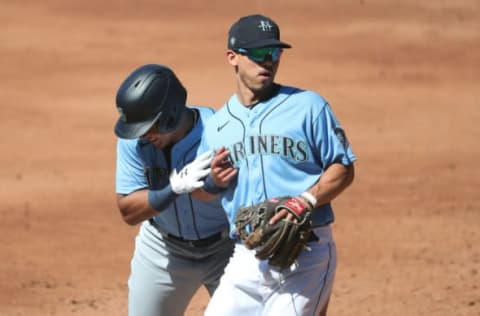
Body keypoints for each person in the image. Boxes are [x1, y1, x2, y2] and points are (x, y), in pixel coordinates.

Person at [197, 14, 356, 316]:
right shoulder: (217, 126)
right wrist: (213, 183)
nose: (268, 61)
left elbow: (343, 168)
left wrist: (305, 201)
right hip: (246, 257)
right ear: (232, 57)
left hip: (305, 253)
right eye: (258, 53)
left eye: (275, 53)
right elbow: (204, 194)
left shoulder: (309, 106)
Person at [113, 64, 234, 316]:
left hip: (227, 250)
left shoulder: (221, 132)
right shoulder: (133, 141)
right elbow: (128, 211)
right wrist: (173, 188)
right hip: (162, 248)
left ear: (171, 113)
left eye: (149, 126)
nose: (143, 135)